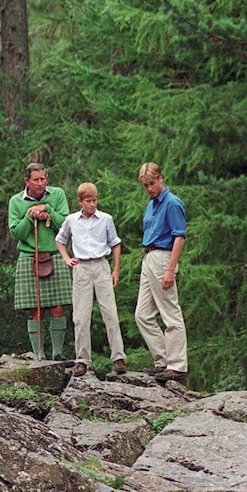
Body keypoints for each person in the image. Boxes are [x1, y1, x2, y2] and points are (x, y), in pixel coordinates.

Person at [55, 182, 126, 378]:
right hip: (82, 267)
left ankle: (118, 357)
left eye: (94, 200)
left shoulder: (105, 219)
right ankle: (82, 360)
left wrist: (115, 269)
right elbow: (60, 240)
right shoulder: (72, 220)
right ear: (80, 202)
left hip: (101, 265)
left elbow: (115, 243)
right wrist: (67, 258)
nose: (92, 204)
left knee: (110, 312)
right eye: (88, 201)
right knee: (80, 316)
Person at [7, 163, 71, 362]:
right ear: (27, 181)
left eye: (43, 179)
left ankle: (58, 354)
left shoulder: (57, 194)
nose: (41, 183)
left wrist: (47, 209)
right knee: (36, 309)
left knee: (58, 307)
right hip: (28, 256)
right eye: (36, 180)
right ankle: (38, 356)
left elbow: (66, 224)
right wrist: (30, 215)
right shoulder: (16, 202)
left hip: (55, 254)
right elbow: (16, 233)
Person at [135, 162, 188, 383]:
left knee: (170, 312)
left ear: (160, 179)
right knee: (142, 314)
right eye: (146, 185)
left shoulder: (172, 203)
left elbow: (179, 236)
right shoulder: (151, 204)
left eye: (152, 183)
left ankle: (177, 365)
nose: (149, 188)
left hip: (164, 256)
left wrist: (170, 269)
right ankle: (162, 359)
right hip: (149, 255)